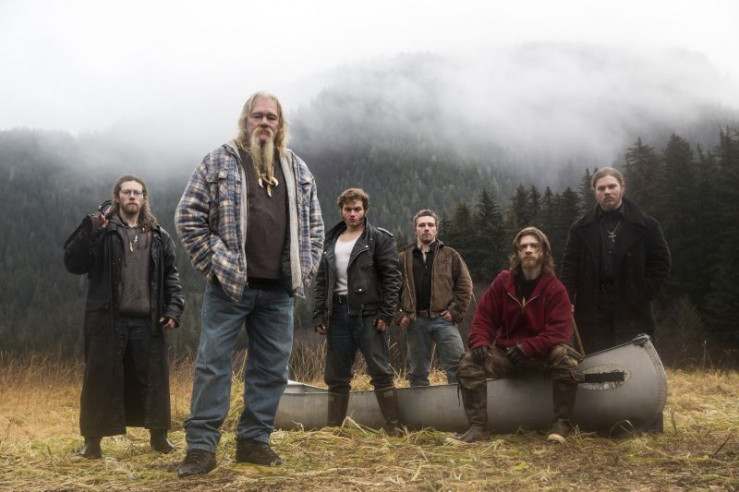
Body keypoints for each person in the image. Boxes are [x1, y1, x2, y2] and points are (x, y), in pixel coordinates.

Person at [175, 91, 324, 476]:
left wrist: (303, 269)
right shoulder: (218, 161)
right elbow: (188, 217)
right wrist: (216, 265)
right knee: (213, 365)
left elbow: (315, 228)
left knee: (271, 370)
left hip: (279, 291)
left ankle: (254, 441)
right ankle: (201, 448)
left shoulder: (297, 169)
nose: (264, 123)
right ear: (246, 120)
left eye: (271, 117)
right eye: (258, 116)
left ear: (280, 124)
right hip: (230, 287)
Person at [64, 175, 184, 459]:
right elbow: (73, 263)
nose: (132, 196)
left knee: (153, 379)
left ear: (144, 199)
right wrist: (88, 233)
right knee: (99, 380)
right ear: (116, 197)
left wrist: (173, 309)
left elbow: (171, 277)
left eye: (137, 192)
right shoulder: (103, 232)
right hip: (107, 320)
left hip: (148, 321)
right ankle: (92, 443)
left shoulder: (159, 236)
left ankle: (159, 439)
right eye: (127, 192)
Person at [452, 227, 583, 444]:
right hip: (508, 356)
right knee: (469, 362)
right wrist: (480, 341)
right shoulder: (503, 283)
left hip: (541, 356)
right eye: (523, 247)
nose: (528, 250)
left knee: (567, 359)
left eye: (534, 246)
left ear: (543, 252)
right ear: (517, 253)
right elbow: (484, 318)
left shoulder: (555, 288)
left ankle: (561, 424)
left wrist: (529, 348)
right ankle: (478, 428)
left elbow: (558, 332)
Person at [313, 188, 403, 431]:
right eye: (348, 209)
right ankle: (334, 429)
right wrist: (319, 313)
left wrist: (387, 313)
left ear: (365, 210)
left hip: (368, 314)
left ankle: (394, 427)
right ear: (341, 211)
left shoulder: (378, 238)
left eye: (357, 209)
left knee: (380, 371)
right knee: (336, 375)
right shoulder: (331, 240)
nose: (353, 214)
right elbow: (322, 280)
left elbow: (392, 278)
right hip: (337, 314)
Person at [560, 167, 671, 354]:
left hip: (632, 304)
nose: (607, 192)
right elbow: (569, 267)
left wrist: (645, 291)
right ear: (595, 192)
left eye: (612, 186)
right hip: (592, 305)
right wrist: (567, 298)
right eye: (601, 188)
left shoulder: (647, 225)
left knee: (634, 361)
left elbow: (661, 261)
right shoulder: (579, 228)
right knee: (595, 363)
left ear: (622, 188)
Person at [396, 209, 473, 386]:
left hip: (444, 320)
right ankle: (421, 404)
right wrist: (398, 314)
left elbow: (465, 285)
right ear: (415, 230)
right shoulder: (403, 258)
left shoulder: (450, 255)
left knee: (459, 366)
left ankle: (459, 403)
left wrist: (455, 311)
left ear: (436, 229)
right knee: (418, 372)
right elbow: (391, 288)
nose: (426, 228)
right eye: (422, 225)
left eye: (430, 225)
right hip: (415, 320)